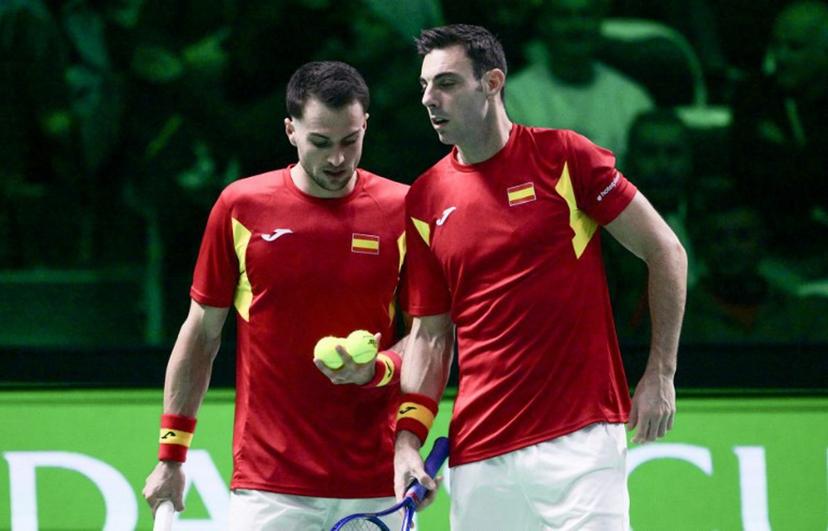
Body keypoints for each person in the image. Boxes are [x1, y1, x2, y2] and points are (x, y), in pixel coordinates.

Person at [393, 24, 687, 530]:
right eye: (424, 86)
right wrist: (407, 442)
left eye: (446, 83)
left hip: (580, 439)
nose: (429, 99)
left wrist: (661, 372)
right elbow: (430, 337)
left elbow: (665, 251)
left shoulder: (565, 158)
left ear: (491, 83)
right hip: (480, 451)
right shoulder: (424, 199)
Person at [142, 61, 410, 530]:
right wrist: (171, 455)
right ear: (290, 129)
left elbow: (431, 334)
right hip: (270, 484)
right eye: (320, 143)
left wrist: (379, 368)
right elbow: (202, 334)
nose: (337, 160)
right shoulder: (241, 207)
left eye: (350, 141)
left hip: (376, 480)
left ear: (365, 124)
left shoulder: (404, 210)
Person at [505, 0, 654, 163]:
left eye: (585, 15)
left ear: (599, 23)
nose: (576, 26)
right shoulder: (513, 99)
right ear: (543, 24)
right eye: (563, 16)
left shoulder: (632, 99)